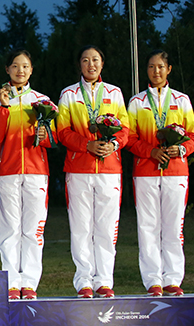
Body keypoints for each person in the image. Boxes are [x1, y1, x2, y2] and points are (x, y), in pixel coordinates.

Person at [57, 45, 129, 299]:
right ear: (80, 64)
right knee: (81, 227)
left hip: (110, 168)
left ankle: (104, 281)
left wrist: (113, 144)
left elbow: (125, 129)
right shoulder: (68, 94)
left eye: (95, 60)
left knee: (106, 228)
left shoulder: (115, 93)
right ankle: (84, 281)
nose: (91, 64)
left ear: (102, 63)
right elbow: (62, 131)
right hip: (79, 168)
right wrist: (86, 145)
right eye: (86, 60)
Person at [126, 50, 194, 297]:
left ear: (169, 70)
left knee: (173, 226)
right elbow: (129, 138)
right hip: (145, 171)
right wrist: (150, 152)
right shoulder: (136, 102)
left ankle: (173, 278)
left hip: (176, 171)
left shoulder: (182, 100)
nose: (155, 71)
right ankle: (153, 280)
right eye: (151, 67)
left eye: (160, 67)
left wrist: (181, 149)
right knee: (148, 226)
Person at [0, 49, 54, 300]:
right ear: (7, 69)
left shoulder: (43, 102)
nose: (20, 70)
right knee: (10, 229)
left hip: (37, 172)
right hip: (8, 171)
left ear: (31, 70)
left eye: (25, 66)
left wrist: (43, 136)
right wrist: (4, 108)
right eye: (15, 66)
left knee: (33, 230)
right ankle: (12, 282)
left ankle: (30, 284)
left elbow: (52, 139)